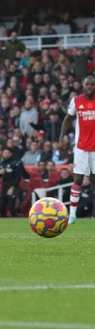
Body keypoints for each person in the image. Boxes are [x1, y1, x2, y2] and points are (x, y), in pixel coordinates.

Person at [60, 74, 95, 225]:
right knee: (78, 179)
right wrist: (62, 137)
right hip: (81, 147)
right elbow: (67, 119)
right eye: (87, 84)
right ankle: (72, 214)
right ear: (83, 86)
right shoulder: (76, 100)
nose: (90, 87)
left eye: (92, 84)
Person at [0, 147, 30, 218]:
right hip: (4, 187)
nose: (6, 155)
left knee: (11, 207)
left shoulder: (16, 163)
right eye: (4, 153)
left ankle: (16, 219)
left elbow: (18, 177)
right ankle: (4, 222)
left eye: (7, 153)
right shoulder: (2, 163)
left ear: (11, 154)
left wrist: (13, 187)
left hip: (14, 187)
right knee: (1, 208)